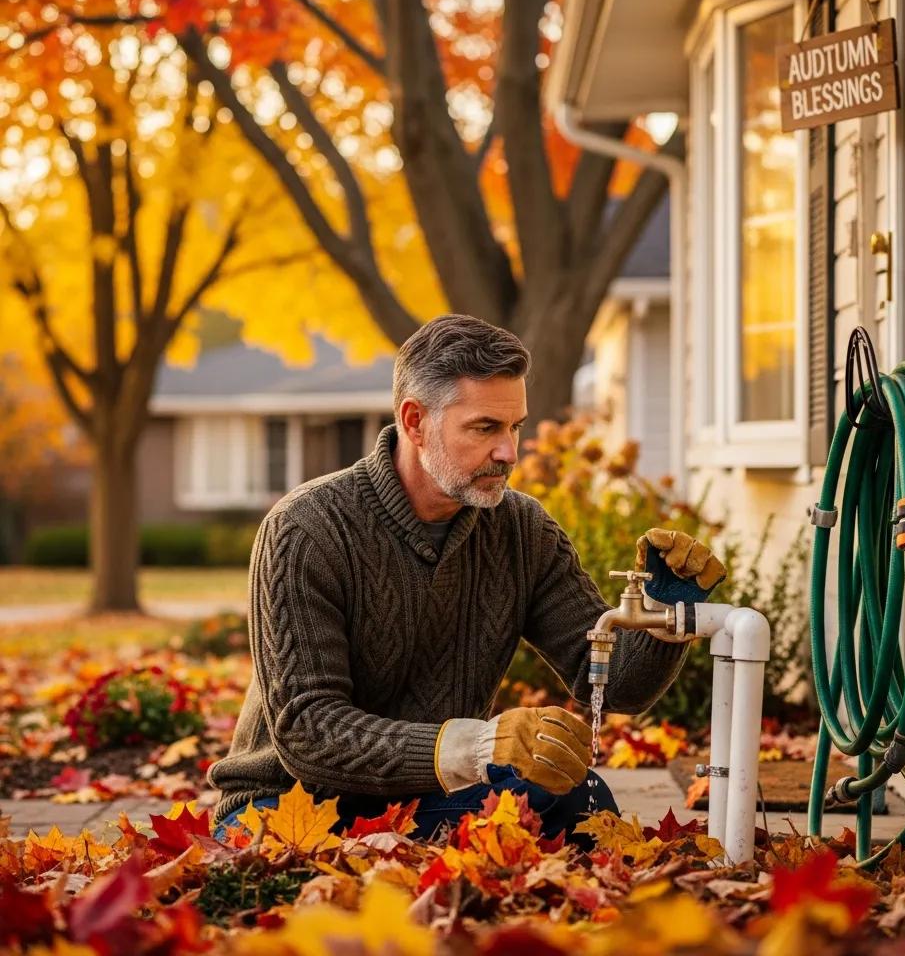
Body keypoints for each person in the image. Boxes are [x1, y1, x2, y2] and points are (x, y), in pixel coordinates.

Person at [209, 314, 724, 845]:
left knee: (576, 794)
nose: (508, 453)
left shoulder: (522, 530)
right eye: (485, 428)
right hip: (286, 806)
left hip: (427, 801)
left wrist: (666, 606)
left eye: (515, 427)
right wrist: (477, 747)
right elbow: (309, 733)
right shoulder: (307, 528)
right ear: (415, 421)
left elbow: (610, 684)